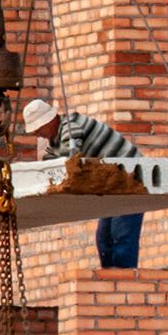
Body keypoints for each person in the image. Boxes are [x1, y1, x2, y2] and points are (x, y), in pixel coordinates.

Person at [23, 98, 144, 269]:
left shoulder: (71, 127)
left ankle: (123, 280)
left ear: (49, 121)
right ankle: (111, 280)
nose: (38, 135)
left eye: (38, 129)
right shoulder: (55, 141)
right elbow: (48, 164)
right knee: (104, 239)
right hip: (112, 186)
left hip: (133, 178)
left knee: (121, 235)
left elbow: (69, 161)